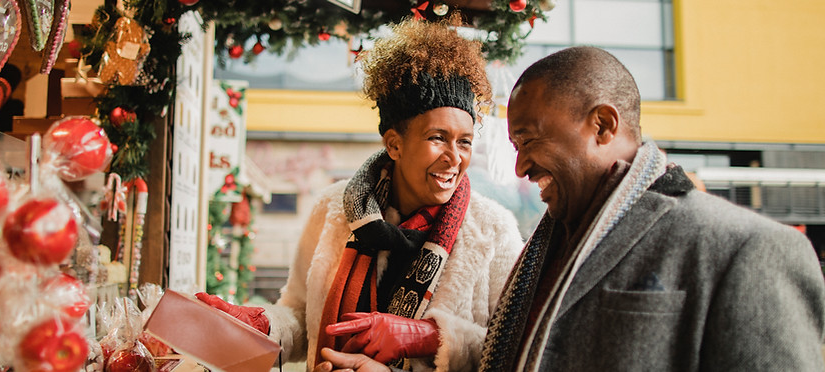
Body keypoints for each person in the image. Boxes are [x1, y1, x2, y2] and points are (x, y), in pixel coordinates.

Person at [314, 46, 825, 371]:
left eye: (529, 139)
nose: (518, 169)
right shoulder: (551, 243)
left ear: (603, 125)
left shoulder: (753, 251)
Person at [196, 14, 524, 372]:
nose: (454, 157)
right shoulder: (333, 208)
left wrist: (427, 336)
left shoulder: (494, 230)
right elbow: (300, 315)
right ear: (395, 145)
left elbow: (514, 347)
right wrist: (261, 324)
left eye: (465, 142)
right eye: (437, 138)